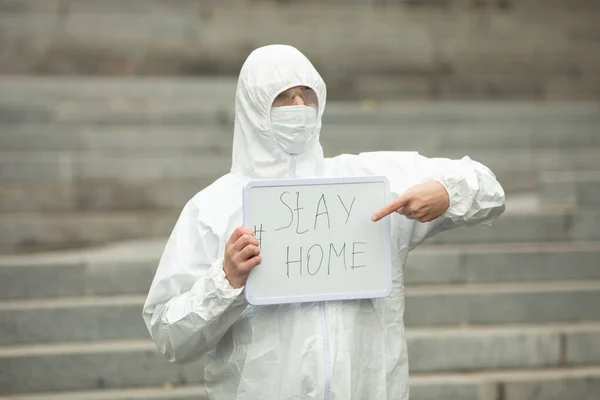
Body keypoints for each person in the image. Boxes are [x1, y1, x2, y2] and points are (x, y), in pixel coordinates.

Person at [143, 44, 505, 400]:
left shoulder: (365, 184)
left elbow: (487, 187)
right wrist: (224, 280)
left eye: (307, 95)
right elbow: (168, 334)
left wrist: (445, 193)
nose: (299, 107)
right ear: (253, 107)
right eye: (283, 97)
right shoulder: (214, 208)